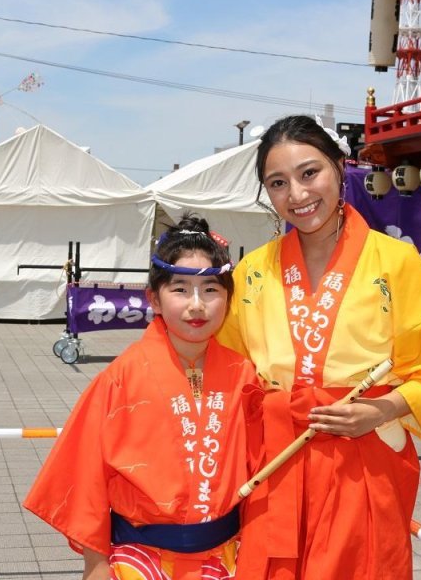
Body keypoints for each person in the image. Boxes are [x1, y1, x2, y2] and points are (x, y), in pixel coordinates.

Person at [217, 115, 421, 579]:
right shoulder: (252, 271)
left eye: (309, 173)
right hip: (275, 455)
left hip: (363, 454)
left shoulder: (395, 261)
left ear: (338, 167)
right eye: (277, 183)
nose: (297, 194)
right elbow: (227, 368)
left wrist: (381, 409)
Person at [23, 214, 260, 580]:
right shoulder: (121, 377)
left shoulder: (244, 374)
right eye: (180, 289)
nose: (197, 305)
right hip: (140, 559)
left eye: (211, 289)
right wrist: (96, 564)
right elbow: (85, 474)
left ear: (228, 299)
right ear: (155, 299)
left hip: (227, 556)